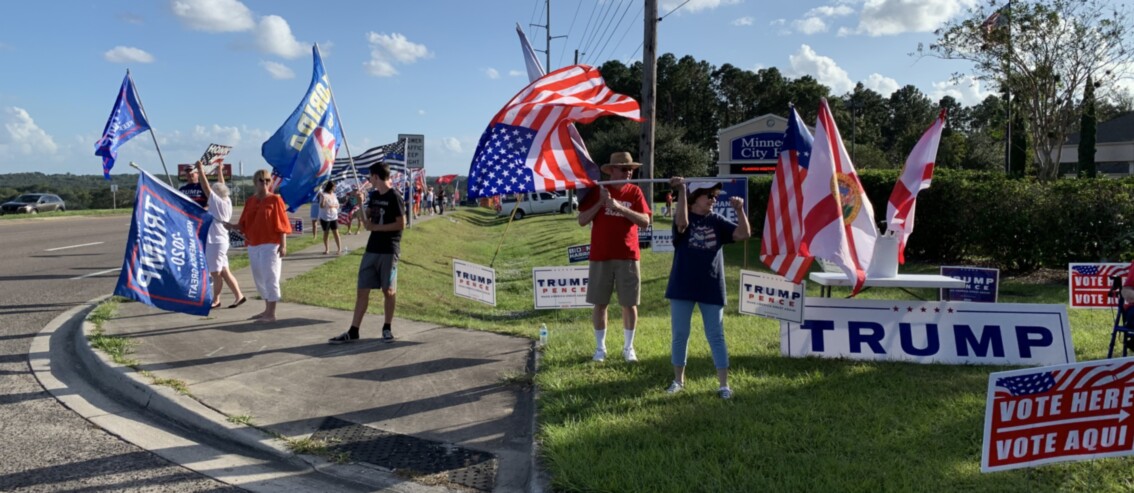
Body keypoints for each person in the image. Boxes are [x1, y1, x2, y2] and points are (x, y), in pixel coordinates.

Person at [663, 177, 750, 399]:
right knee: (680, 334)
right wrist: (682, 190)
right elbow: (682, 223)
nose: (713, 199)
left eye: (715, 196)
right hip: (682, 286)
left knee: (716, 335)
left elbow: (743, 234)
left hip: (711, 287)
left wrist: (740, 211)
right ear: (694, 198)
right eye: (709, 195)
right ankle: (678, 381)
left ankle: (723, 385)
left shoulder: (717, 220)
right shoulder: (683, 216)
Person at [577, 151, 652, 362]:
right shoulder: (598, 191)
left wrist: (619, 207)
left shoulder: (635, 192)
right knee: (600, 303)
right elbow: (582, 220)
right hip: (601, 256)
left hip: (628, 256)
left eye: (630, 169)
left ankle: (629, 348)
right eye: (623, 168)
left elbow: (645, 221)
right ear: (611, 171)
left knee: (629, 304)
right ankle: (600, 348)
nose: (628, 172)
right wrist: (601, 203)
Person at [329, 162, 405, 344]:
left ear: (376, 177)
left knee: (388, 290)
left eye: (371, 177)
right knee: (362, 289)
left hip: (389, 250)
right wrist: (359, 203)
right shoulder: (374, 195)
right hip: (372, 249)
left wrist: (377, 227)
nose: (369, 180)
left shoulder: (395, 197)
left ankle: (387, 328)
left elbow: (401, 224)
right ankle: (354, 330)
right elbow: (364, 220)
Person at [228, 168, 292, 323]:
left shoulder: (275, 200)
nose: (265, 183)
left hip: (270, 244)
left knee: (271, 277)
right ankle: (266, 309)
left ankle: (271, 313)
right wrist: (229, 226)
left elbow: (282, 225)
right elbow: (243, 224)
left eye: (267, 181)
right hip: (253, 244)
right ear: (255, 182)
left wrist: (283, 245)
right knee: (260, 278)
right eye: (261, 181)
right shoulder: (250, 201)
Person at [195, 160, 245, 309]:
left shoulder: (216, 202)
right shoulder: (227, 200)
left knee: (215, 273)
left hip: (215, 241)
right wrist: (219, 170)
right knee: (224, 271)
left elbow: (206, 187)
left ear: (216, 194)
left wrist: (200, 170)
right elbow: (220, 185)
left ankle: (216, 300)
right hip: (221, 239)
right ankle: (239, 295)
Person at [319, 181, 343, 255]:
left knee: (336, 232)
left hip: (334, 216)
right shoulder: (324, 195)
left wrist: (334, 206)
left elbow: (338, 205)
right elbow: (321, 206)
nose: (335, 188)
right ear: (331, 187)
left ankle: (339, 249)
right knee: (326, 233)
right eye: (334, 186)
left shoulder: (334, 195)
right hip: (325, 217)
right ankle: (327, 249)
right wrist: (323, 199)